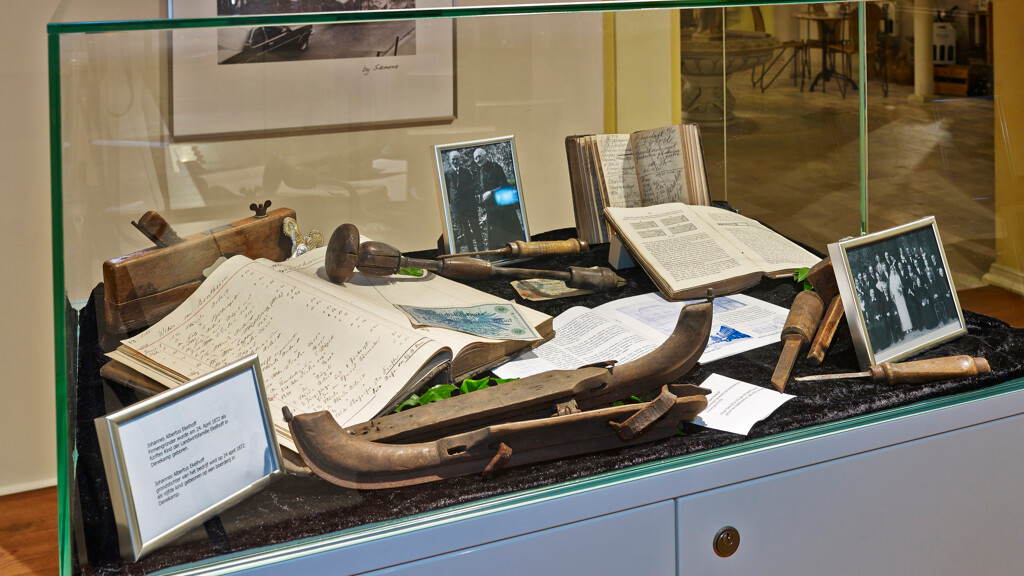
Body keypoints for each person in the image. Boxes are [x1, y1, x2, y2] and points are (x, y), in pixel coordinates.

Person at [473, 148, 524, 249]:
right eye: (475, 158)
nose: (478, 160)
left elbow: (504, 185)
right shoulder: (480, 171)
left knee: (509, 232)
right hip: (491, 208)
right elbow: (483, 188)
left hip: (503, 206)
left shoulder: (495, 167)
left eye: (479, 156)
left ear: (485, 155)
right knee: (496, 234)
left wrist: (491, 193)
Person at [446, 150, 484, 253]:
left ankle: (483, 253)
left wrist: (473, 204)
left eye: (457, 159)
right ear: (450, 161)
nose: (455, 161)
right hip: (458, 208)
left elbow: (471, 189)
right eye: (453, 159)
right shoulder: (447, 174)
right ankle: (472, 254)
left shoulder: (466, 171)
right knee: (466, 232)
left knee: (476, 230)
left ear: (460, 160)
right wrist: (453, 204)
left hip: (470, 207)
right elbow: (447, 192)